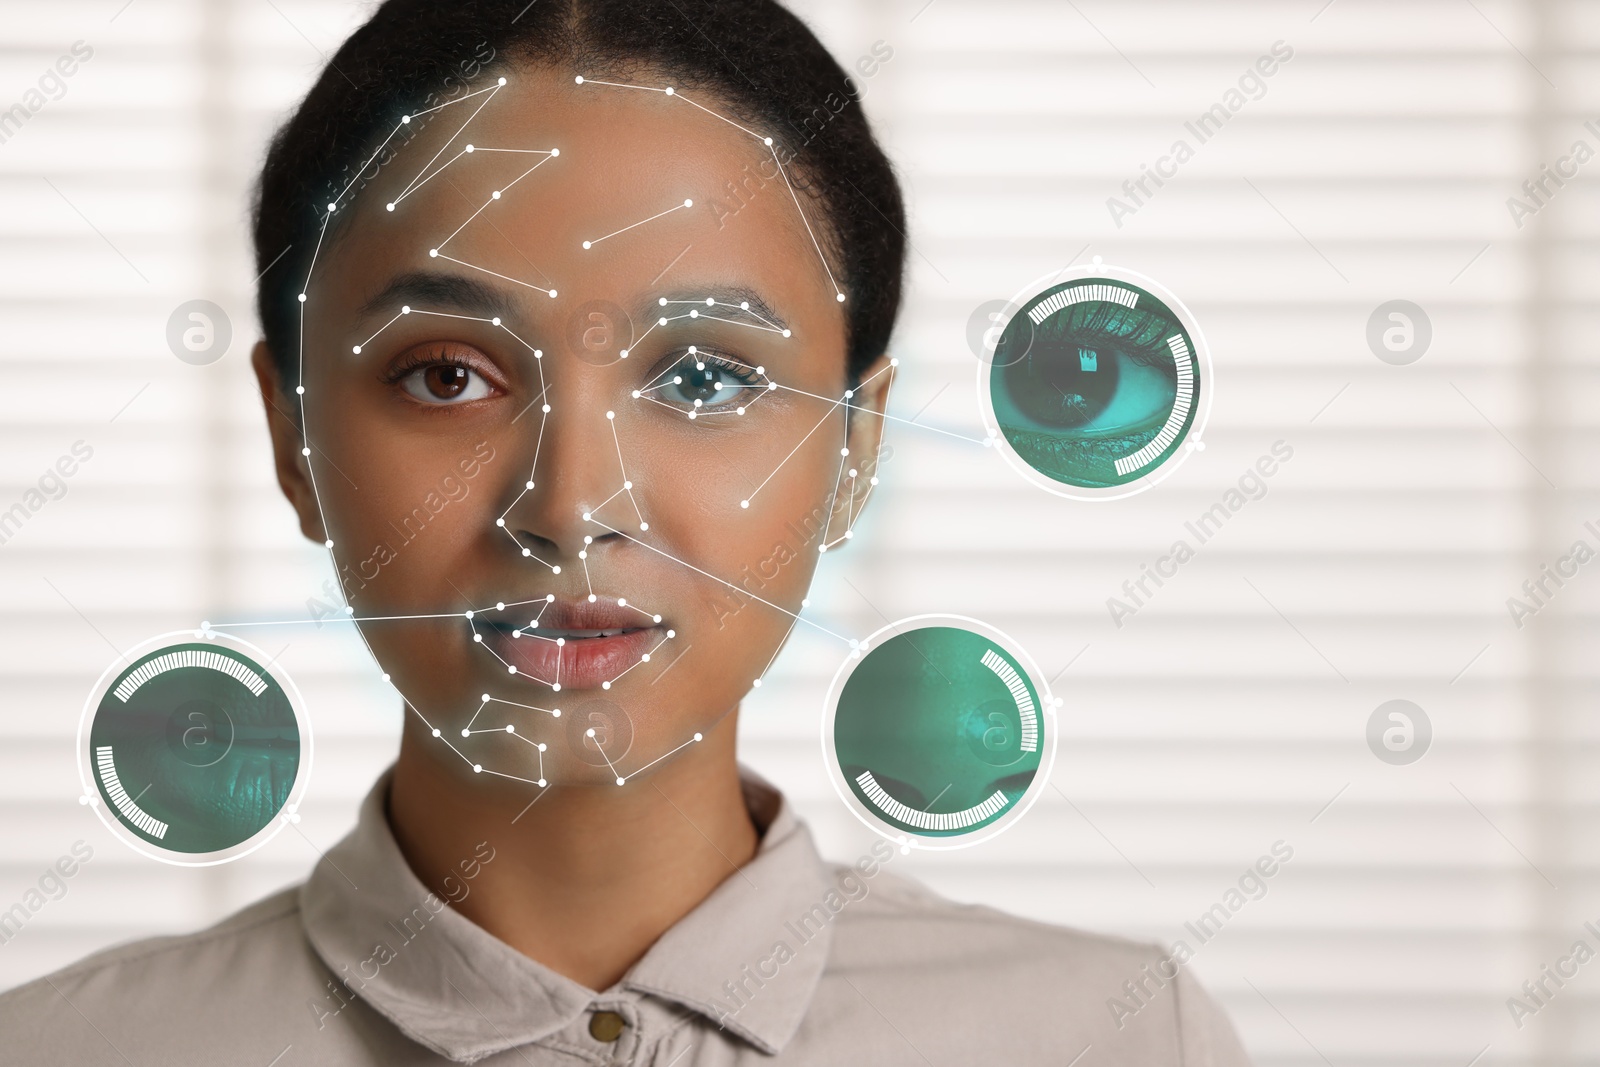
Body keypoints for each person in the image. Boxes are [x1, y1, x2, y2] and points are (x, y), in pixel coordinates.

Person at [0, 1, 1249, 1062]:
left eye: (704, 377)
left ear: (855, 445)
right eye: (448, 375)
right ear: (295, 441)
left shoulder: (1118, 1036)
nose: (571, 504)